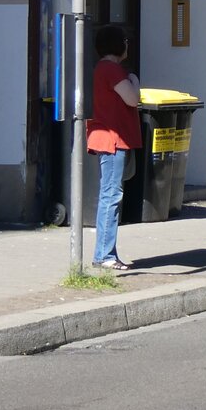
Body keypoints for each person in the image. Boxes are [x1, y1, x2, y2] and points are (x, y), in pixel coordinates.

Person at [86, 24, 142, 271]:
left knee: (111, 194)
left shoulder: (103, 69)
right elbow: (132, 98)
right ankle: (104, 255)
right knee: (112, 195)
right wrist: (134, 80)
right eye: (125, 42)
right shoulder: (112, 69)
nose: (128, 46)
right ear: (117, 45)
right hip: (112, 139)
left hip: (109, 138)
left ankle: (106, 253)